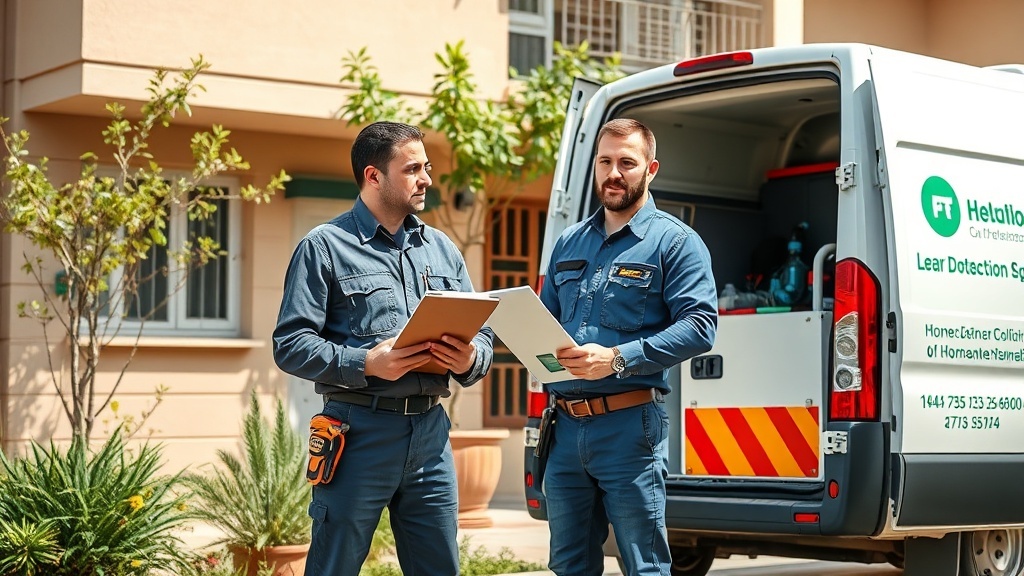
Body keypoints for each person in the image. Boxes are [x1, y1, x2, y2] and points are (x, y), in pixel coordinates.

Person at [273, 121, 495, 576]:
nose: (426, 179)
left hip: (431, 434)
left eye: (426, 167)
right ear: (373, 176)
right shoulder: (324, 247)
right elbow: (290, 344)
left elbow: (484, 335)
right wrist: (366, 362)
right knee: (334, 565)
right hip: (356, 433)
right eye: (412, 169)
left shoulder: (443, 250)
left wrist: (471, 359)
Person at [538, 118, 718, 576]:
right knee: (568, 564)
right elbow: (546, 323)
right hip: (563, 428)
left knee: (644, 564)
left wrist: (618, 358)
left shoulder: (675, 242)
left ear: (650, 169)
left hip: (629, 428)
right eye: (605, 161)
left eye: (627, 162)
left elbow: (700, 326)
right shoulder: (568, 242)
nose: (613, 173)